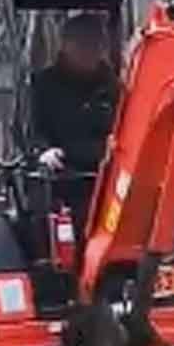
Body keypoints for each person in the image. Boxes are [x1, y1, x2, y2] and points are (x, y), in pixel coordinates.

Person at [29, 13, 120, 216]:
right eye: (83, 43)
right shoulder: (43, 86)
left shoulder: (113, 87)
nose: (90, 50)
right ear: (65, 45)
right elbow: (31, 129)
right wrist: (43, 151)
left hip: (107, 176)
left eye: (96, 43)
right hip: (61, 178)